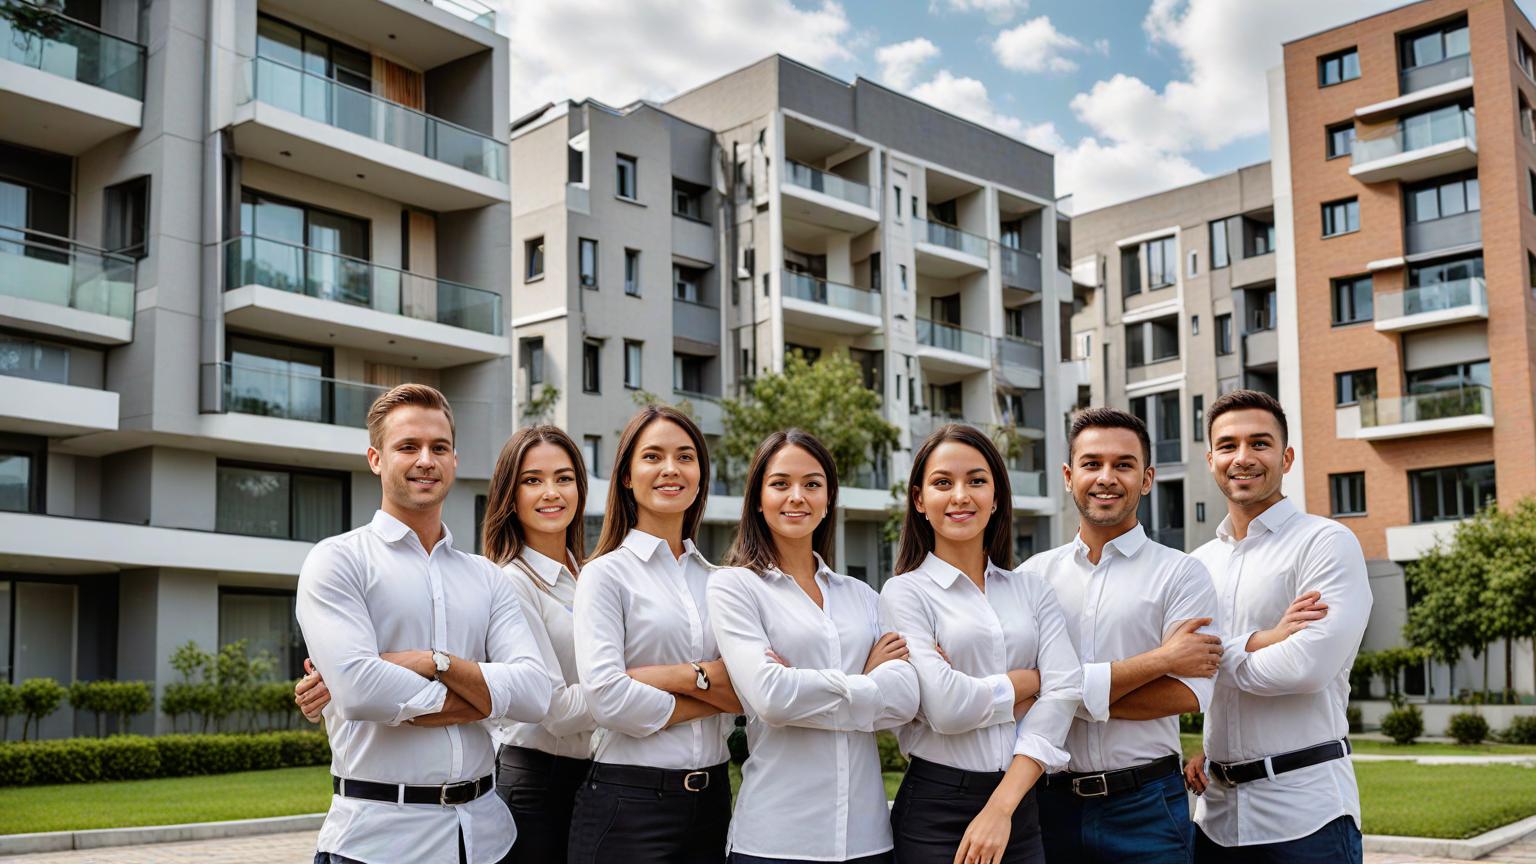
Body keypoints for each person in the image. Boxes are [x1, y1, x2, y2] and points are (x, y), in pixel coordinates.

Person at [296, 424, 596, 864]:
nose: (425, 459)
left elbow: (532, 693)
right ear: (375, 459)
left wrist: (432, 663)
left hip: (485, 837)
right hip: (380, 841)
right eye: (408, 447)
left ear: (455, 460)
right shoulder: (339, 558)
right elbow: (359, 690)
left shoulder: (487, 577)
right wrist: (487, 696)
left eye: (439, 447)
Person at [1016, 408, 1221, 864]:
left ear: (1146, 479)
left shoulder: (1183, 575)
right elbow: (1018, 692)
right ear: (1069, 476)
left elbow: (1189, 692)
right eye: (1091, 464)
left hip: (1146, 806)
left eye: (1123, 465)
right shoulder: (1031, 578)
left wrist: (1062, 695)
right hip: (1047, 804)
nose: (1106, 477)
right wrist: (1162, 659)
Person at [708, 430, 920, 864]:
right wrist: (865, 680)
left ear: (828, 500)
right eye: (781, 483)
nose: (797, 496)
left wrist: (800, 685)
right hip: (776, 838)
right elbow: (771, 699)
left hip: (867, 839)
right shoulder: (734, 587)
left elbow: (904, 699)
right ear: (758, 498)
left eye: (812, 484)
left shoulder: (862, 596)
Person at [879, 424, 1082, 864]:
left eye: (976, 480)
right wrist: (1028, 682)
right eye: (942, 483)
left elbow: (1065, 693)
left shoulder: (1031, 590)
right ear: (919, 501)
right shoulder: (904, 594)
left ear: (995, 497)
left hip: (1019, 806)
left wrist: (1001, 807)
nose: (960, 496)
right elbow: (946, 709)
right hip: (934, 810)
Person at [1182, 390, 1371, 864]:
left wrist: (1205, 657)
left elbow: (1303, 669)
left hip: (1306, 819)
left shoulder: (1326, 544)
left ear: (1286, 457)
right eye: (1227, 446)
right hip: (1216, 820)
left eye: (1259, 443)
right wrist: (1263, 640)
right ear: (1210, 460)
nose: (1242, 458)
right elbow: (1172, 672)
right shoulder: (1197, 564)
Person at [569, 404, 744, 864]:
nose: (671, 469)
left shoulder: (720, 581)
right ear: (627, 476)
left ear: (701, 475)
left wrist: (652, 677)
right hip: (629, 805)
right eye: (653, 456)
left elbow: (750, 692)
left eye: (686, 457)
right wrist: (705, 678)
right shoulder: (605, 575)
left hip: (713, 803)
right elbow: (606, 699)